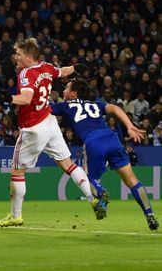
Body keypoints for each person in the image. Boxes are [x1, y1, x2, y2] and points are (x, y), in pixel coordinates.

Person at [0, 38, 94, 227]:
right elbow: (62, 71)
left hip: (33, 127)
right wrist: (78, 67)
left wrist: (8, 97)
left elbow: (25, 99)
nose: (16, 57)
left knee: (17, 171)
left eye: (19, 54)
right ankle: (93, 197)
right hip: (49, 122)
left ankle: (16, 216)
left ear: (29, 56)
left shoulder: (26, 73)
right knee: (68, 164)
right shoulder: (46, 67)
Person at [51, 79, 158, 230]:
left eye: (66, 88)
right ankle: (150, 215)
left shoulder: (64, 106)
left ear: (74, 93)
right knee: (132, 180)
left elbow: (42, 110)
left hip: (93, 142)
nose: (63, 91)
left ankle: (101, 193)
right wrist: (130, 126)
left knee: (88, 179)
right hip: (112, 139)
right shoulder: (95, 104)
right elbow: (114, 108)